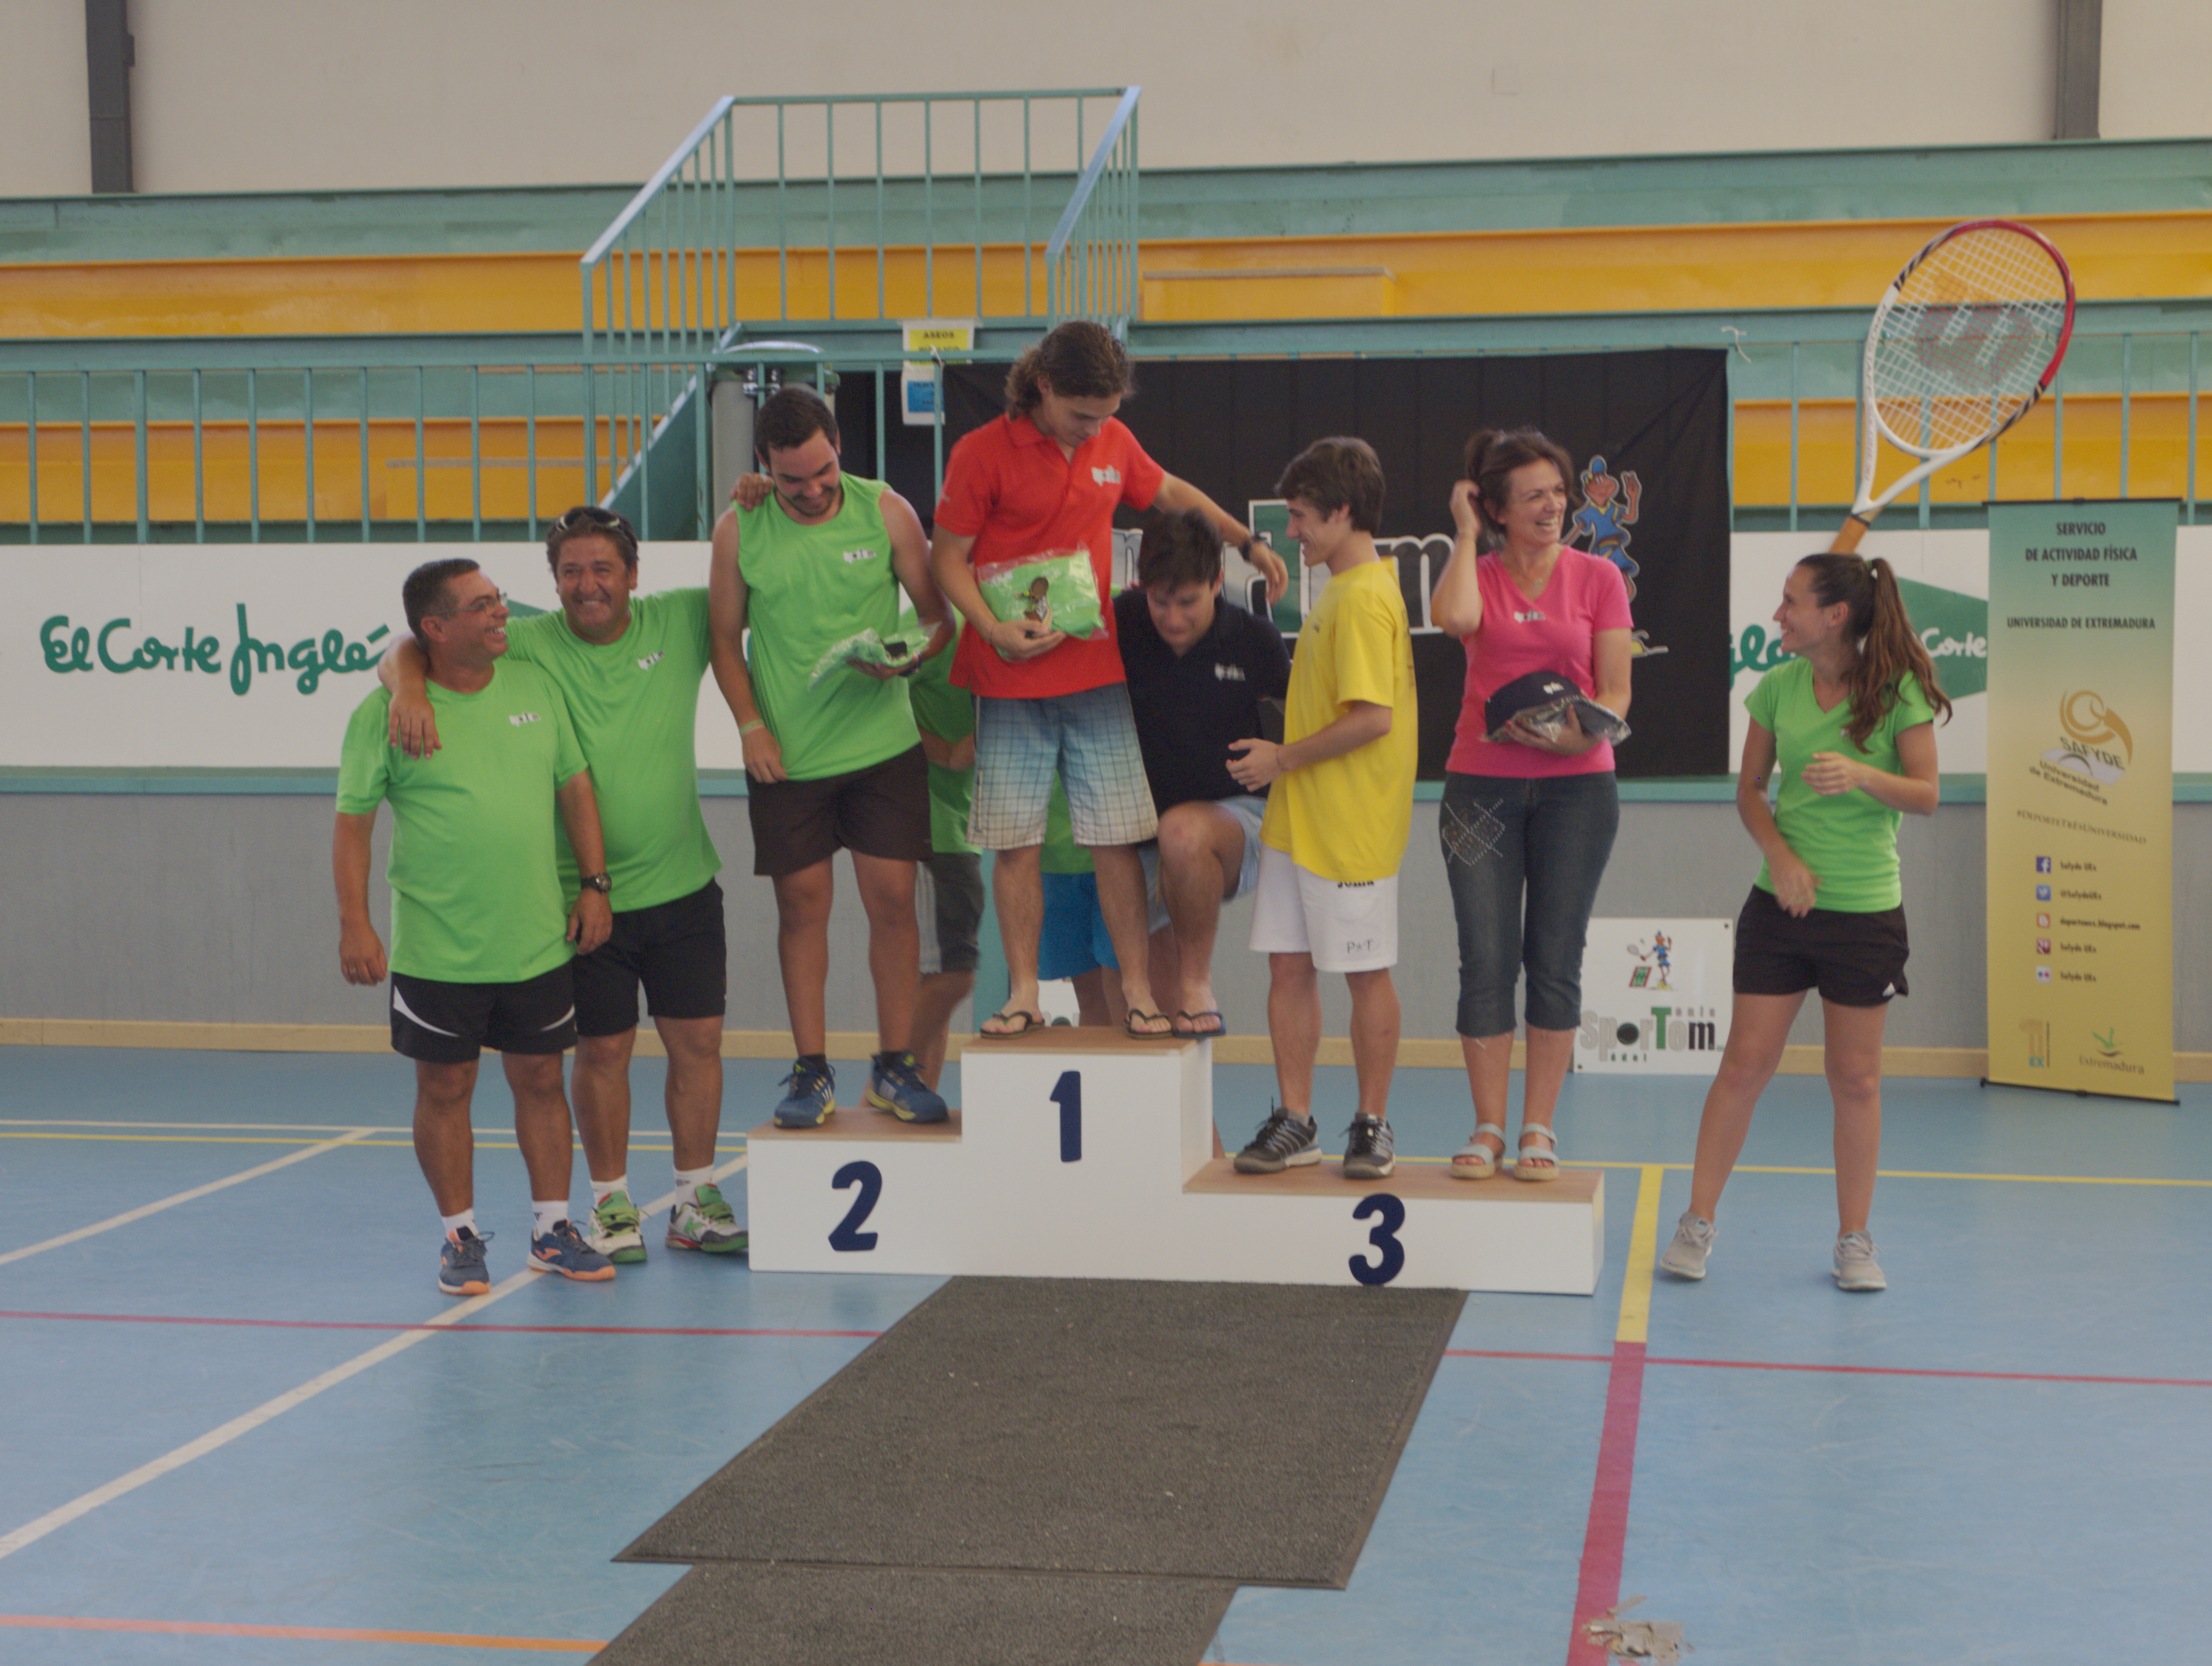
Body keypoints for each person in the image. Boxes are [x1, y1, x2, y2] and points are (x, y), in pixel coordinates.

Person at [381, 506, 743, 1263]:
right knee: (603, 1052)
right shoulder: (527, 642)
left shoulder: (679, 618)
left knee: (699, 1043)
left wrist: (755, 502)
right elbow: (414, 643)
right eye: (571, 572)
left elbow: (761, 593)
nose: (587, 585)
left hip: (683, 884)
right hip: (582, 901)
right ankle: (611, 1205)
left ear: (633, 575)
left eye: (602, 569)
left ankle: (694, 1200)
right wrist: (407, 687)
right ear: (554, 582)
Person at [928, 319, 1288, 1040]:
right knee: (1017, 844)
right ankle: (1024, 993)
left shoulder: (1113, 443)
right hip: (1008, 676)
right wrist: (992, 629)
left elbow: (1172, 491)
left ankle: (1139, 991)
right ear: (1043, 387)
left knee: (1115, 839)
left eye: (1106, 415)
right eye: (1081, 415)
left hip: (1093, 674)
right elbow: (947, 559)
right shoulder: (980, 453)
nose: (1094, 428)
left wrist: (1245, 541)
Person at [1660, 553, 1948, 1291]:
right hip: (1780, 910)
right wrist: (1781, 857)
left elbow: (1925, 795)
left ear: (1835, 616)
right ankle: (1697, 1222)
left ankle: (1855, 1241)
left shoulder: (1899, 692)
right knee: (1743, 1065)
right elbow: (1750, 791)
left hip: (1865, 914)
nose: (1779, 615)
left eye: (1791, 603)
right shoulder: (1778, 688)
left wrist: (1863, 775)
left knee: (1855, 1079)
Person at [336, 558, 617, 1293]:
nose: (502, 613)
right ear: (435, 628)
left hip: (536, 939)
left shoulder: (533, 685)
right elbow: (353, 826)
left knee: (542, 1079)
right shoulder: (384, 715)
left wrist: (595, 886)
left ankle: (553, 1231)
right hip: (437, 948)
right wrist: (355, 924)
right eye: (483, 605)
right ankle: (459, 1237)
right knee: (445, 1087)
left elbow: (574, 786)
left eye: (499, 599)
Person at [710, 385, 953, 1129]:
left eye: (823, 471)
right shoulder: (738, 528)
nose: (813, 490)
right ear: (764, 466)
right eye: (792, 480)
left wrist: (906, 657)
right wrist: (751, 727)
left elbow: (937, 618)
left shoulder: (888, 511)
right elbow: (724, 641)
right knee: (803, 909)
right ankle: (811, 1071)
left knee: (894, 904)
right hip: (789, 760)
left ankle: (895, 1066)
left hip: (884, 750)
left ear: (840, 446)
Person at [1429, 429, 1634, 1184]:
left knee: (1555, 956)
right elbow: (1453, 620)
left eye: (1558, 492)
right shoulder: (1477, 574)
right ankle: (1488, 1127)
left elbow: (1617, 691)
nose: (1552, 507)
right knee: (1486, 958)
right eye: (1533, 497)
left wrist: (1578, 737)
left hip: (1580, 790)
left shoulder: (1599, 578)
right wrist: (1463, 531)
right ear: (1496, 510)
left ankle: (1537, 1127)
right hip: (1479, 788)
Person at [1226, 438, 1417, 1180]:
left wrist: (1281, 759)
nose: (1293, 532)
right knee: (1289, 967)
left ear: (1342, 512)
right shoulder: (1341, 589)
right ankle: (1296, 1120)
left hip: (1350, 825)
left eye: (1302, 516)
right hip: (1300, 820)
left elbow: (1373, 719)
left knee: (1365, 973)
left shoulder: (1363, 598)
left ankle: (1371, 1123)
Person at [1115, 507, 1292, 1038]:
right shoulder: (1123, 621)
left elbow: (1312, 725)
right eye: (1160, 601)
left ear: (1217, 582)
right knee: (1143, 1010)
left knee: (1184, 834)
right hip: (1143, 831)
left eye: (1188, 602)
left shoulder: (1254, 639)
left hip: (1236, 819)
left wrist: (1282, 755)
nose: (1172, 619)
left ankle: (1199, 983)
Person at [902, 610, 986, 1091]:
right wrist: (945, 751)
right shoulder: (929, 630)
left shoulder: (1004, 628)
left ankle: (915, 1097)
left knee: (936, 977)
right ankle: (889, 1080)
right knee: (953, 975)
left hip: (961, 824)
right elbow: (873, 706)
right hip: (931, 827)